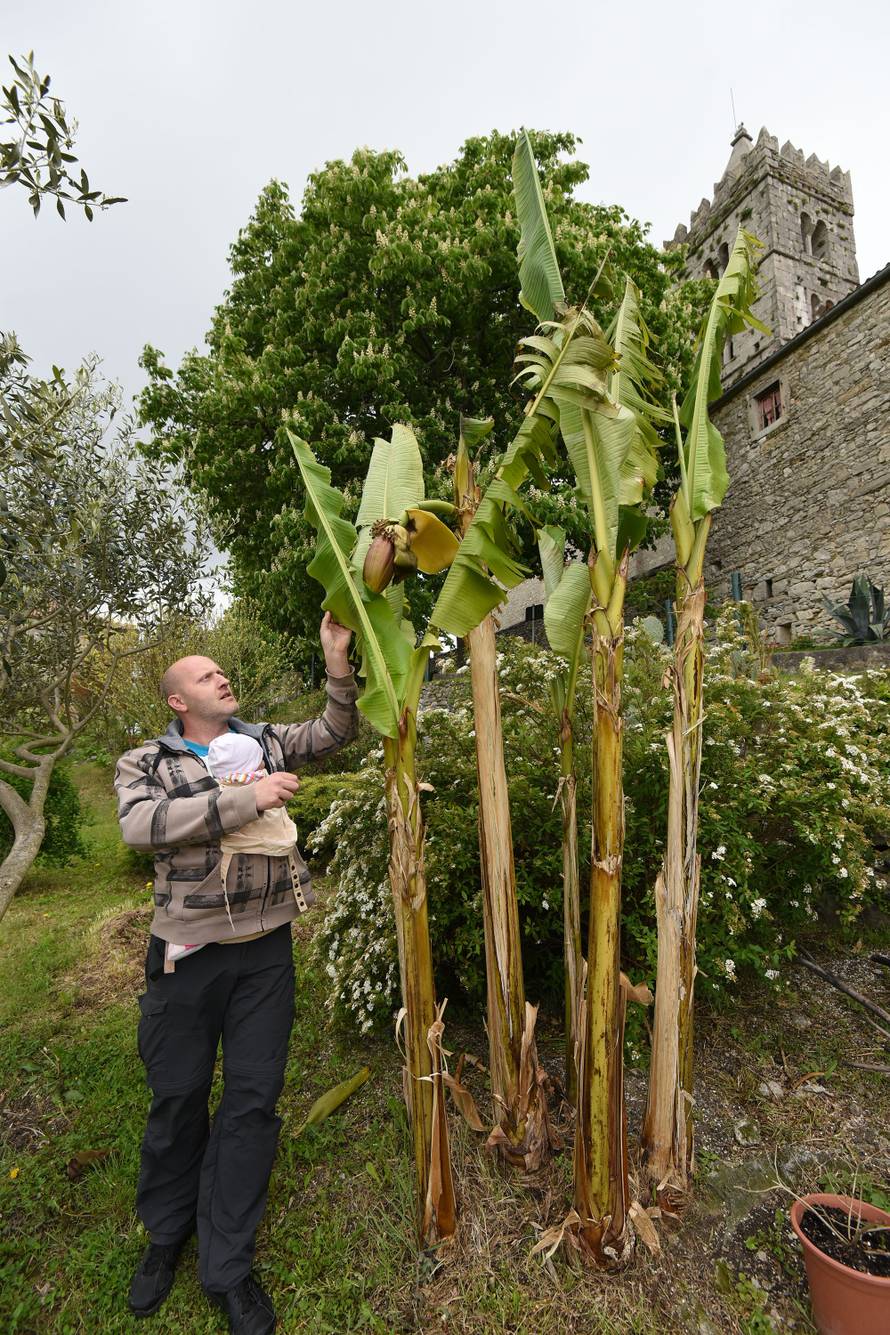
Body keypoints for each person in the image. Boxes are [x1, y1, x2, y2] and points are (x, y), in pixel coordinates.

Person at [114, 613, 356, 1334]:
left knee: (252, 1101)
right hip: (186, 953)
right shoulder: (148, 761)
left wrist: (335, 659)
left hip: (265, 952)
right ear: (176, 701)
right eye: (203, 673)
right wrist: (246, 798)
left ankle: (228, 1264)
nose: (221, 675)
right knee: (180, 1096)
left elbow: (332, 732)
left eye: (222, 669)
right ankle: (165, 1236)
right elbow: (140, 827)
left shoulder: (260, 740)